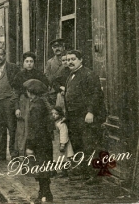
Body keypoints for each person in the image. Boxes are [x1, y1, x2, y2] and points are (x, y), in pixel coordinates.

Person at [64, 50, 106, 185]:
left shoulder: (89, 74)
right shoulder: (71, 75)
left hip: (86, 117)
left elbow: (96, 94)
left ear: (80, 60)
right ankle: (84, 172)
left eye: (73, 59)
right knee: (78, 145)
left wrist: (91, 112)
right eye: (68, 59)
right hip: (74, 117)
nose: (70, 62)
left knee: (90, 145)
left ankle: (95, 175)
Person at [24, 79, 54, 204]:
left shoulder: (36, 106)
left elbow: (35, 127)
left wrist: (30, 145)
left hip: (38, 142)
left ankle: (45, 194)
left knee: (41, 168)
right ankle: (45, 193)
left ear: (30, 92)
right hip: (45, 141)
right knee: (44, 167)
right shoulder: (41, 103)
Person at [0, 47, 21, 160]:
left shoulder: (12, 68)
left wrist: (15, 101)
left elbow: (17, 86)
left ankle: (13, 153)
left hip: (9, 102)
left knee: (12, 128)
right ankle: (1, 153)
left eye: (0, 54)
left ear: (5, 55)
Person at [14, 52, 49, 156]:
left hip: (35, 102)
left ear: (34, 63)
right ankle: (21, 152)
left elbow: (45, 88)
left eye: (31, 61)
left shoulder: (39, 74)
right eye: (27, 61)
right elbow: (15, 93)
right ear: (23, 63)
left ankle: (34, 151)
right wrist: (17, 108)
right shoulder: (19, 75)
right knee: (22, 128)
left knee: (33, 126)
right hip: (23, 102)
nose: (29, 64)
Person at [51, 106, 73, 178]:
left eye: (56, 114)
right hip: (55, 143)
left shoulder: (61, 124)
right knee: (56, 157)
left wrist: (63, 144)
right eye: (52, 113)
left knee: (63, 157)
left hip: (61, 143)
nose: (54, 115)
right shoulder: (53, 123)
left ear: (60, 115)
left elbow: (64, 134)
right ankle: (56, 171)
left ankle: (64, 171)